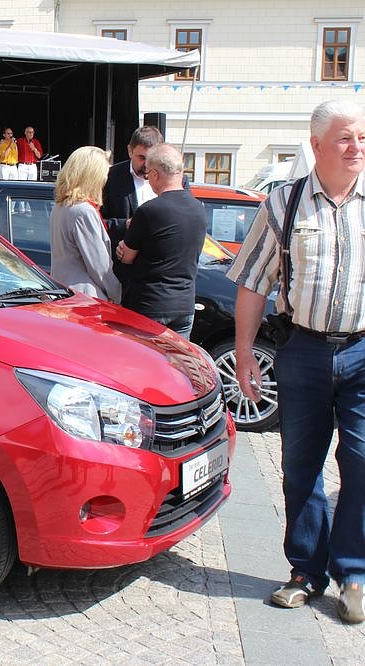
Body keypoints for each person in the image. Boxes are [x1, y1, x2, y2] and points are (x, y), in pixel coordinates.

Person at [227, 98, 365, 624]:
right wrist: (244, 354)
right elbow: (253, 283)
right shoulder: (283, 204)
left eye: (362, 137)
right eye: (345, 138)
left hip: (363, 352)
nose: (356, 148)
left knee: (362, 463)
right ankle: (306, 572)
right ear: (316, 145)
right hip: (302, 350)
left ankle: (354, 573)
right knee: (300, 467)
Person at [115, 143, 206, 339]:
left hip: (149, 304)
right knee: (177, 358)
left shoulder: (149, 210)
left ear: (155, 174)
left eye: (148, 174)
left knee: (144, 358)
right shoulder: (199, 208)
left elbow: (126, 257)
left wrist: (122, 250)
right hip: (185, 305)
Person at [48, 146, 120, 302]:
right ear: (92, 176)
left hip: (65, 293)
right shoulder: (83, 211)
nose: (105, 180)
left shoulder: (60, 206)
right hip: (86, 297)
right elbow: (100, 267)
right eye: (103, 175)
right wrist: (118, 295)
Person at [100, 125, 165, 283]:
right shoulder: (111, 177)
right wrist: (126, 225)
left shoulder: (173, 178)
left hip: (159, 270)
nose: (147, 165)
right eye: (141, 158)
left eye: (152, 159)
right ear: (130, 151)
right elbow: (97, 223)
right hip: (122, 271)